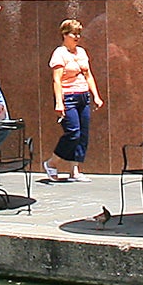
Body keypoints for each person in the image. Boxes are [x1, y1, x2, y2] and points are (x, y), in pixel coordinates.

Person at [44, 19, 102, 182]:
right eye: (73, 34)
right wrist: (59, 102)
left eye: (78, 34)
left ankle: (74, 169)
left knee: (83, 133)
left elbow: (88, 75)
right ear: (64, 34)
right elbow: (57, 80)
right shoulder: (59, 53)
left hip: (83, 95)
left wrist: (96, 95)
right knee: (72, 132)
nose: (77, 37)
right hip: (68, 96)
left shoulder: (82, 52)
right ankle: (52, 163)